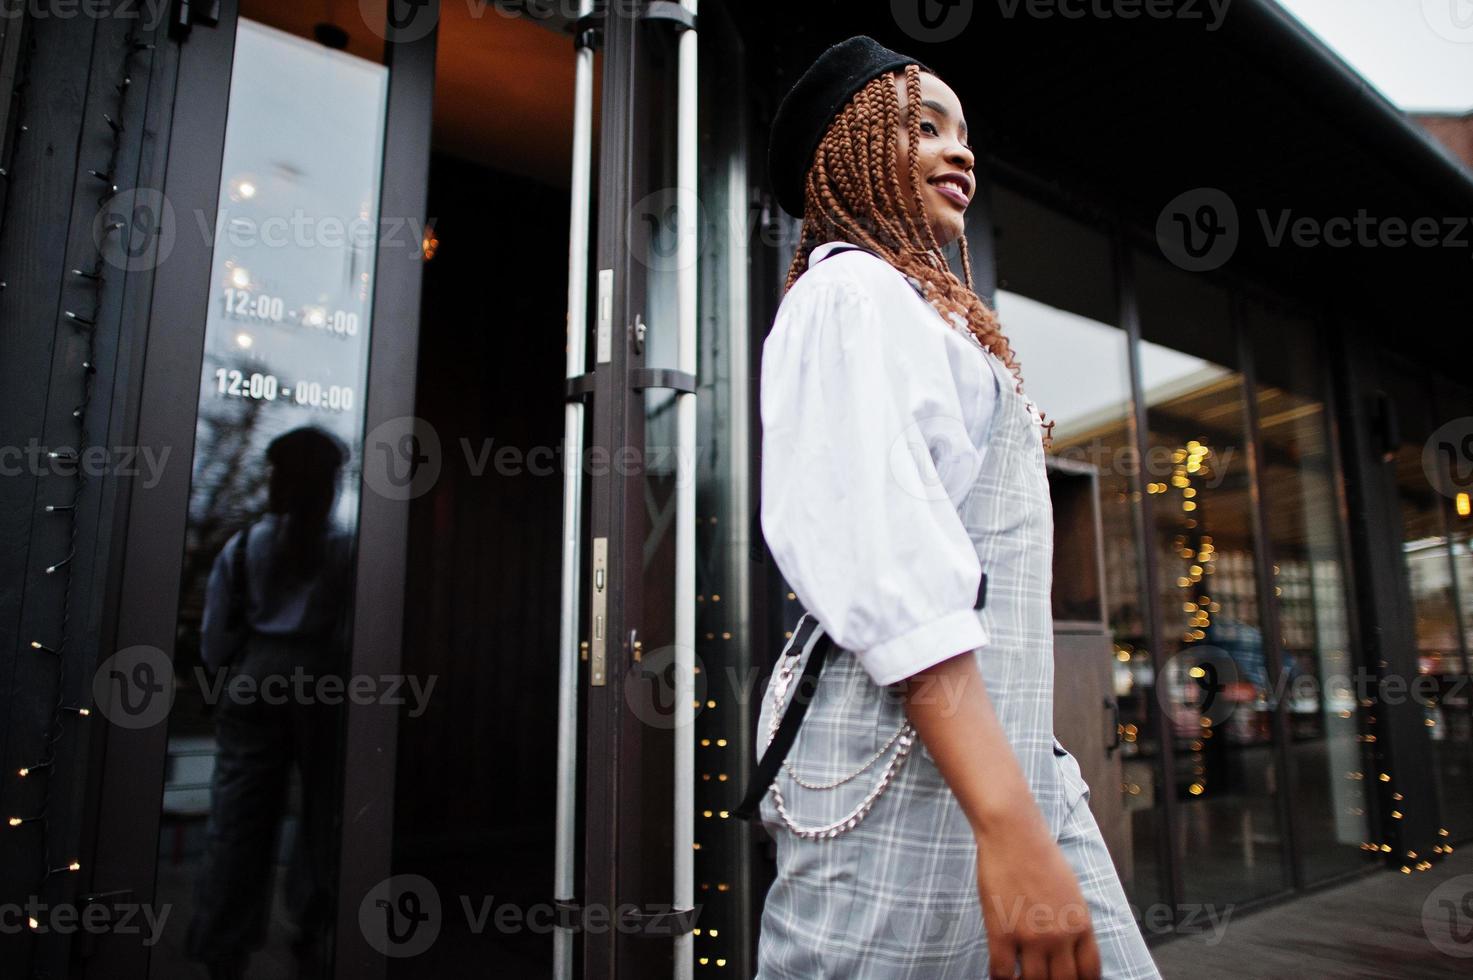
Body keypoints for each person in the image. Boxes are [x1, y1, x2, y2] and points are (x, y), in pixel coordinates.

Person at [753, 36, 1161, 979]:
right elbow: (885, 562)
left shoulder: (923, 310)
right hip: (901, 769)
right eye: (922, 125)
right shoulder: (850, 290)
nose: (960, 150)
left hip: (1005, 763)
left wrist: (1021, 798)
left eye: (965, 132)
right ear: (847, 149)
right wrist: (1007, 821)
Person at [187, 426, 355, 980]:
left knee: (238, 816)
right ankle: (313, 926)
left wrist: (228, 671)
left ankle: (222, 944)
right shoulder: (347, 548)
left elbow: (215, 639)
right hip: (322, 678)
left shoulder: (245, 545)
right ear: (330, 484)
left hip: (256, 673)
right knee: (323, 810)